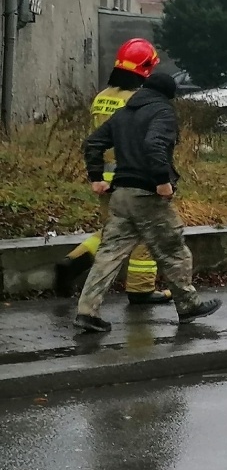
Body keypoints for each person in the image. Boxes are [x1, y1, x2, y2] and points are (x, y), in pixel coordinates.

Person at [73, 69, 222, 335]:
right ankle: (188, 305)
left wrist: (96, 177)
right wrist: (162, 180)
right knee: (173, 248)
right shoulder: (162, 112)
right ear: (168, 95)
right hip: (147, 195)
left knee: (109, 254)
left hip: (120, 195)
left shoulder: (124, 114)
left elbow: (93, 143)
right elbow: (155, 144)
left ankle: (87, 311)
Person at [56, 38, 171, 304]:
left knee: (113, 231)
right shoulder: (139, 100)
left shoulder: (103, 97)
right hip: (133, 176)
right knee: (146, 232)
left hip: (105, 177)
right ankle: (141, 289)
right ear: (145, 69)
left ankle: (74, 262)